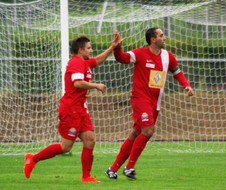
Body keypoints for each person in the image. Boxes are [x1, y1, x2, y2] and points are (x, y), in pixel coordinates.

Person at [23, 32, 121, 183]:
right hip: (71, 109)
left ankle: (86, 177)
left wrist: (112, 47)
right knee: (65, 147)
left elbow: (98, 60)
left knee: (90, 140)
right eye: (89, 48)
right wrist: (96, 85)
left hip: (81, 108)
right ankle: (32, 159)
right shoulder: (76, 62)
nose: (91, 50)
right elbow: (77, 83)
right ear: (81, 50)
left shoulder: (84, 62)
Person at [105, 27, 195, 180]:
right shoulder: (139, 53)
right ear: (153, 39)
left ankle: (112, 169)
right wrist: (117, 47)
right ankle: (129, 167)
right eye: (161, 35)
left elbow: (177, 72)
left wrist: (186, 85)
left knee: (136, 133)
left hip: (155, 103)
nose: (164, 37)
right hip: (140, 99)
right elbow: (122, 58)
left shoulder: (168, 56)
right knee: (148, 131)